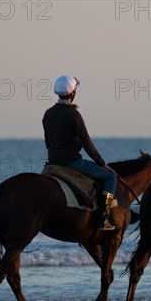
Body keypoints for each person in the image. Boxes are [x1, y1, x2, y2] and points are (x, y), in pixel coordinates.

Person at [42, 75, 118, 231]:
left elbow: (48, 143)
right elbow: (88, 145)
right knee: (110, 177)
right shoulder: (74, 115)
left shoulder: (48, 113)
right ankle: (103, 219)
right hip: (72, 163)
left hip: (53, 162)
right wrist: (102, 163)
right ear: (72, 93)